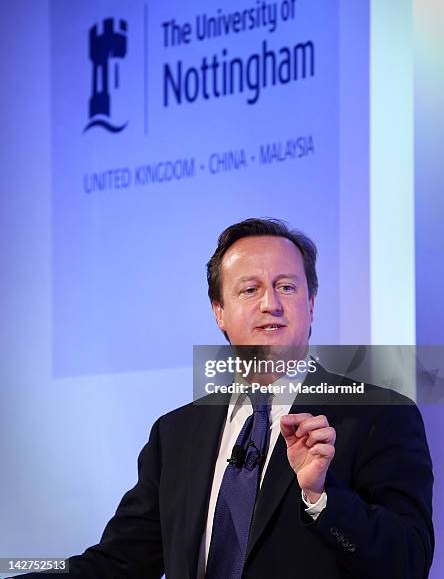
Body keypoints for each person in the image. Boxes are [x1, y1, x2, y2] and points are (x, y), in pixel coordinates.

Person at [15, 218, 434, 579]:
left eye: (286, 286)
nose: (271, 304)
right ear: (219, 311)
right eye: (249, 290)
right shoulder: (175, 434)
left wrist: (320, 498)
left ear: (311, 303)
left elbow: (408, 562)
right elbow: (118, 564)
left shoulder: (379, 414)